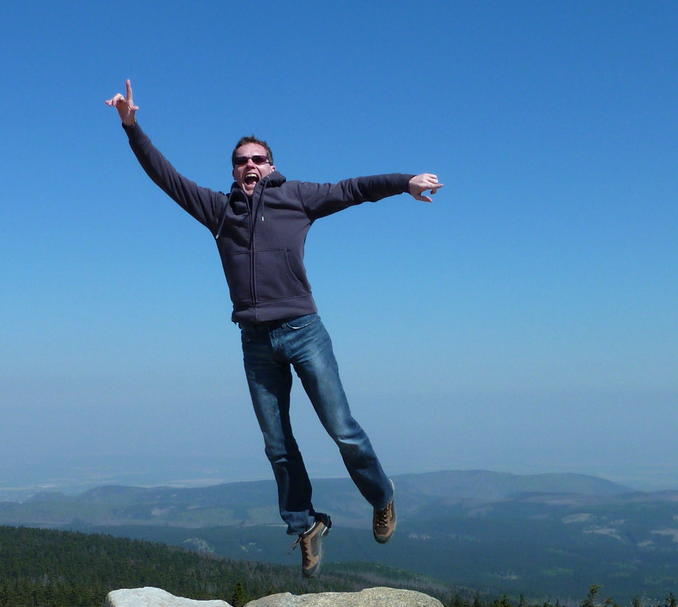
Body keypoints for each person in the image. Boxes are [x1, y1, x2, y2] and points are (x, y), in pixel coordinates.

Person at [106, 80, 442, 578]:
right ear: (234, 169)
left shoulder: (298, 198)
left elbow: (353, 190)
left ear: (271, 165)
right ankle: (305, 524)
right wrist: (133, 129)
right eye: (242, 160)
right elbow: (166, 177)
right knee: (277, 443)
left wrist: (405, 181)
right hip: (255, 340)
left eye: (258, 158)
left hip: (304, 330)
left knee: (342, 429)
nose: (250, 165)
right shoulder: (219, 212)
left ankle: (382, 496)